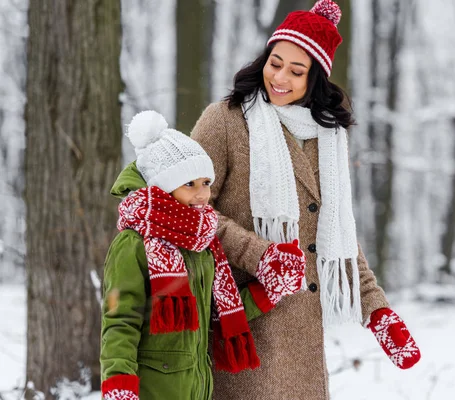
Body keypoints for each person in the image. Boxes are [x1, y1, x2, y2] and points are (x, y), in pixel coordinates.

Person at [190, 1, 421, 399]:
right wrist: (259, 253)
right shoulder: (225, 120)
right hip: (243, 318)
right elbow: (189, 209)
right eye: (275, 62)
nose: (279, 77)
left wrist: (377, 309)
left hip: (302, 337)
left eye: (296, 72)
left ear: (316, 79)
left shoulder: (327, 138)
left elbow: (335, 234)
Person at [100, 111, 306, 400]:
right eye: (189, 184)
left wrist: (269, 290)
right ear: (162, 186)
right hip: (152, 389)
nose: (202, 194)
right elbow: (120, 318)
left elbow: (215, 313)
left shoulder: (202, 243)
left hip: (196, 386)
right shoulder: (134, 243)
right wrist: (119, 384)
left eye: (206, 183)